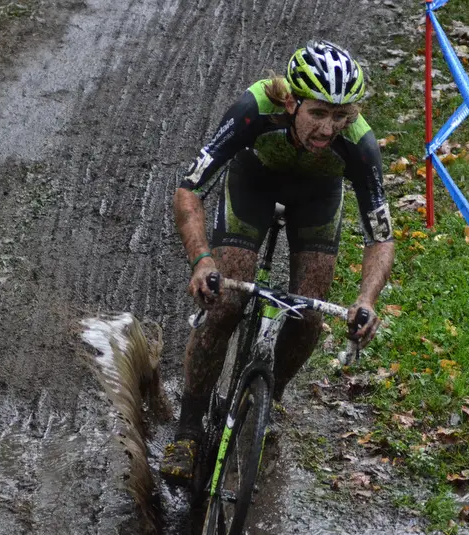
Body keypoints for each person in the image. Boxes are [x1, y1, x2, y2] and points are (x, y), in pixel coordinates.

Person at [162, 40, 395, 485]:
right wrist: (202, 260)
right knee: (226, 303)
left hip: (316, 198)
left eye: (342, 116)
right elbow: (189, 189)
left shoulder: (359, 144)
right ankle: (188, 427)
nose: (330, 129)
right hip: (254, 183)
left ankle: (270, 399)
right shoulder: (253, 109)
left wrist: (367, 297)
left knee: (307, 316)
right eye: (319, 113)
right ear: (291, 102)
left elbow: (380, 235)